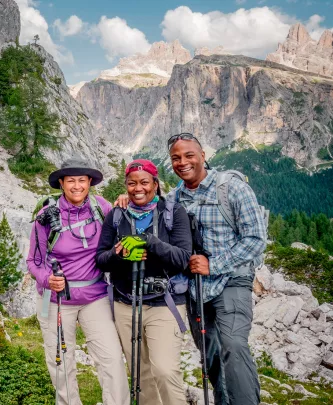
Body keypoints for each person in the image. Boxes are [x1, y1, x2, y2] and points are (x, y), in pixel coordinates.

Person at [167, 133, 266, 405]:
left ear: (203, 156)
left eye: (189, 155)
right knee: (209, 353)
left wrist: (213, 264)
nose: (183, 162)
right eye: (176, 158)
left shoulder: (232, 188)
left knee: (233, 345)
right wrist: (125, 199)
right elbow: (146, 205)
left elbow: (256, 239)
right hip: (196, 289)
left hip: (232, 280)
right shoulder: (173, 198)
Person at [26, 157, 129, 405]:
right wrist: (47, 279)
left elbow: (124, 224)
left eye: (82, 180)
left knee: (112, 360)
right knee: (61, 363)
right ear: (61, 183)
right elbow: (33, 261)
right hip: (55, 299)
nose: (76, 186)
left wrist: (125, 202)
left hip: (95, 296)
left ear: (90, 183)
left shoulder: (101, 208)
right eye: (70, 180)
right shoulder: (46, 216)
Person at [96, 159, 192, 405]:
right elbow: (101, 259)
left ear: (156, 184)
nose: (138, 188)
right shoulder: (116, 215)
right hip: (125, 304)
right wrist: (120, 255)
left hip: (164, 303)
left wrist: (150, 242)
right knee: (140, 373)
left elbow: (182, 258)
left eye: (144, 182)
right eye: (131, 183)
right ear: (125, 186)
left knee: (165, 369)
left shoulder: (173, 212)